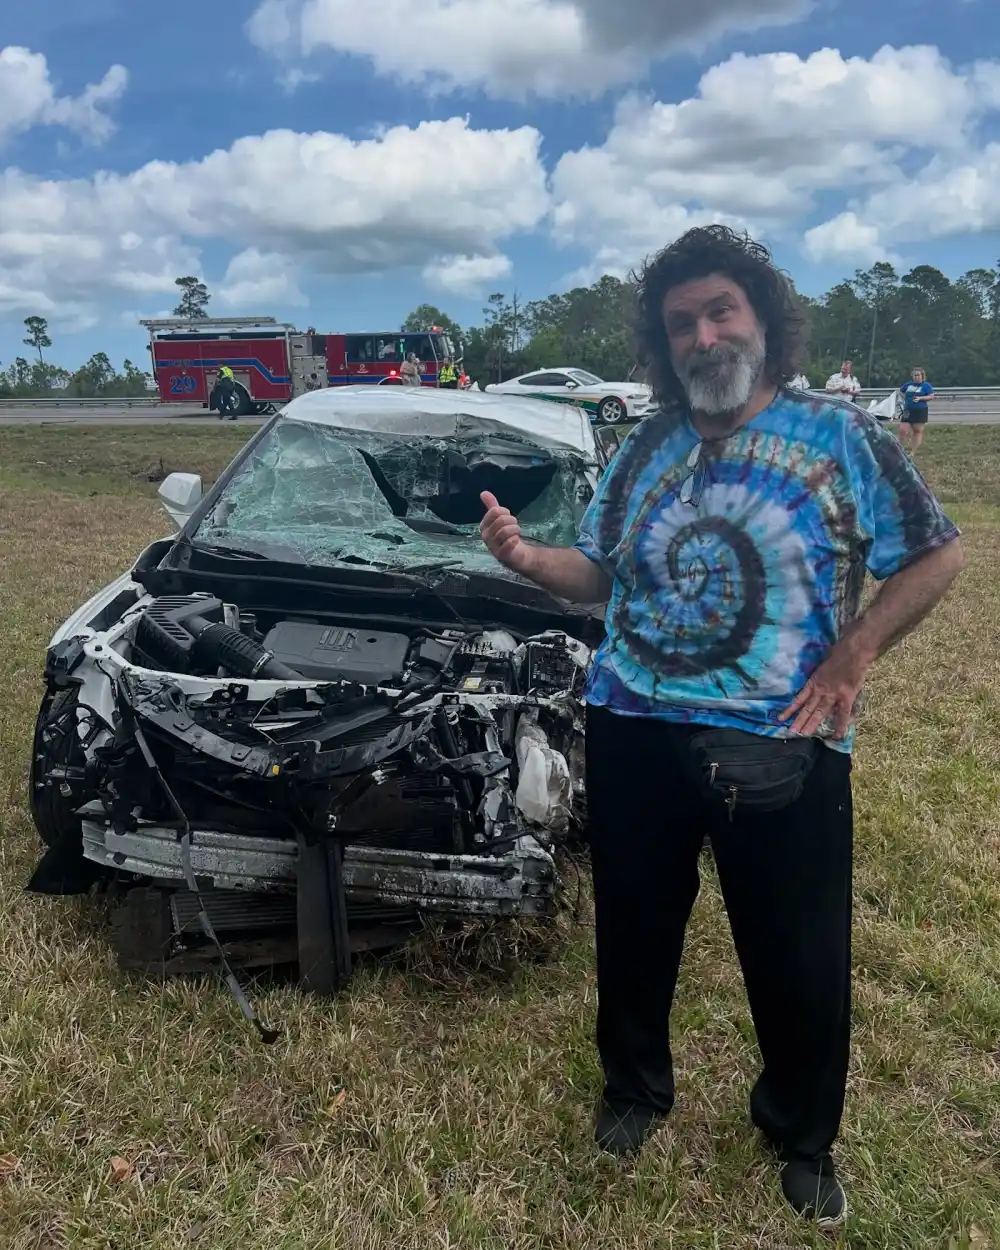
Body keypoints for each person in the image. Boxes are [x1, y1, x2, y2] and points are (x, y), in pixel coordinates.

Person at [478, 225, 963, 1227]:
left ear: (761, 321)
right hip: (631, 721)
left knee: (796, 949)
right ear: (663, 346)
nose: (702, 336)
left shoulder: (843, 436)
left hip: (780, 734)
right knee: (636, 928)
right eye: (680, 323)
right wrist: (530, 561)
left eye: (719, 311)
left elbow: (933, 557)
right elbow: (599, 571)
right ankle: (633, 1089)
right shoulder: (644, 444)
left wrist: (852, 654)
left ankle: (800, 1132)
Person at [898, 366, 934, 452]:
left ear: (922, 376)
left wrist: (921, 398)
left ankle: (913, 451)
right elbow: (901, 391)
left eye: (918, 375)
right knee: (903, 430)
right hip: (908, 409)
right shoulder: (908, 384)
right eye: (914, 375)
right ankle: (898, 448)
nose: (916, 377)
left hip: (920, 410)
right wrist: (905, 398)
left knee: (917, 431)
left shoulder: (926, 385)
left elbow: (931, 396)